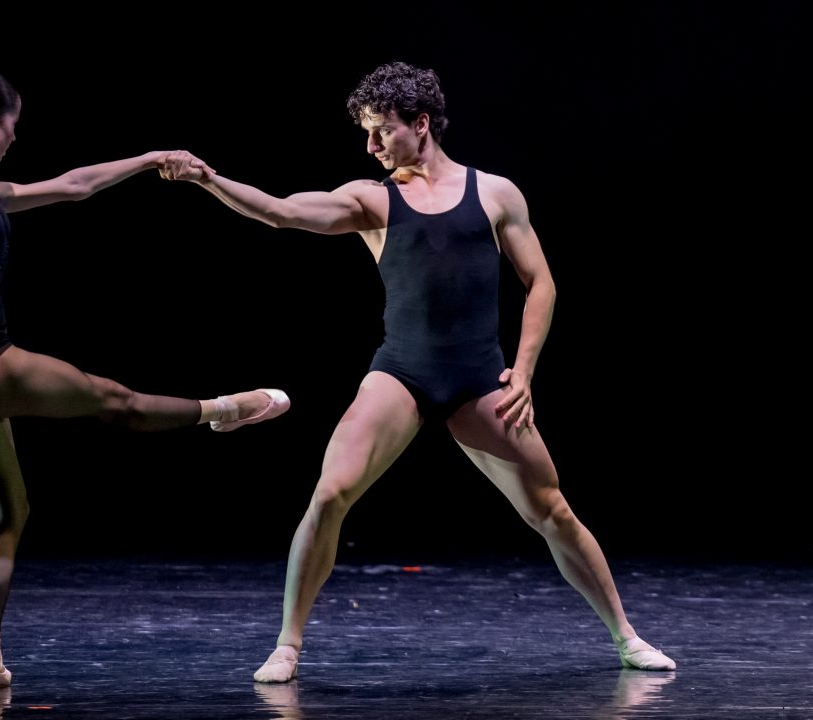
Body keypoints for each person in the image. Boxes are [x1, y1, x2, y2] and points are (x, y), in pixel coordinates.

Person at [159, 60, 676, 681]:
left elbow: (541, 283)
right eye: (366, 133)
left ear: (421, 124)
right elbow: (281, 212)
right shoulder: (372, 200)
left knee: (552, 511)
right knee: (329, 494)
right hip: (402, 372)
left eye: (381, 130)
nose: (371, 145)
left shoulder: (496, 194)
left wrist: (524, 372)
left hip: (480, 377)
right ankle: (287, 645)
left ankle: (627, 637)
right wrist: (209, 178)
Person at [0, 67, 290, 690]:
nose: (15, 137)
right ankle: (223, 410)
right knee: (116, 400)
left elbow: (74, 185)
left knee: (11, 508)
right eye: (14, 125)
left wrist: (149, 159)